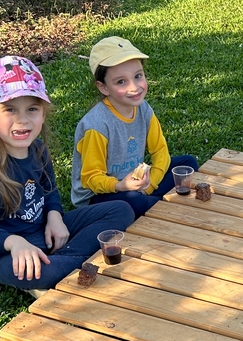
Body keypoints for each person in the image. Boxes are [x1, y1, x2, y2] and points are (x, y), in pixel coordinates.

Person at [0, 56, 134, 292]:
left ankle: (65, 260)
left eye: (32, 109)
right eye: (9, 110)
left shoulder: (38, 149)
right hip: (4, 251)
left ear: (43, 114)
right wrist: (14, 242)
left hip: (43, 232)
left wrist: (54, 217)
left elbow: (50, 192)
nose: (22, 120)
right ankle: (69, 261)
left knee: (121, 209)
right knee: (35, 273)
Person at [72, 36, 199, 218]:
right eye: (121, 81)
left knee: (187, 164)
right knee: (134, 202)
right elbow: (91, 178)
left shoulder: (143, 109)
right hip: (101, 194)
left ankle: (150, 202)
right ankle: (153, 205)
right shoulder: (97, 126)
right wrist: (121, 186)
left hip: (136, 184)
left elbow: (160, 151)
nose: (134, 87)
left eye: (138, 76)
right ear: (103, 87)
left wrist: (149, 186)